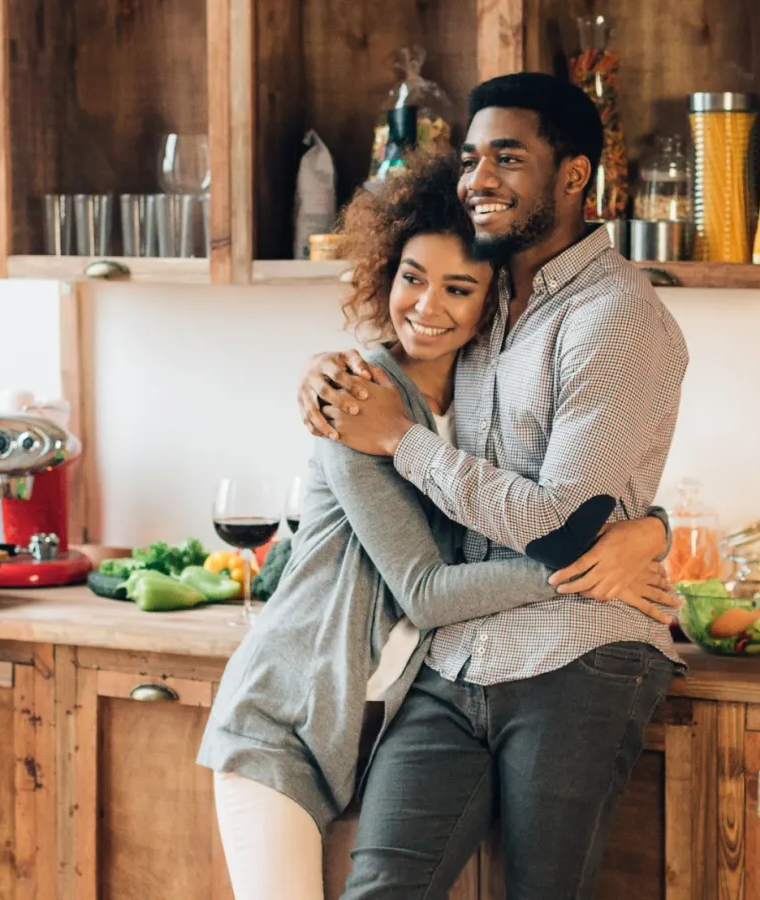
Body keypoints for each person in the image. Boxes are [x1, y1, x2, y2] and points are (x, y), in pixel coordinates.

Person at [196, 152, 674, 900]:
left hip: (357, 731)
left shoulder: (476, 408)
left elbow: (553, 499)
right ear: (385, 273)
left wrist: (652, 528)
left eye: (459, 287)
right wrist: (583, 567)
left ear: (491, 303)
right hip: (283, 725)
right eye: (412, 277)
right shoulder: (356, 401)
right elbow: (425, 590)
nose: (427, 305)